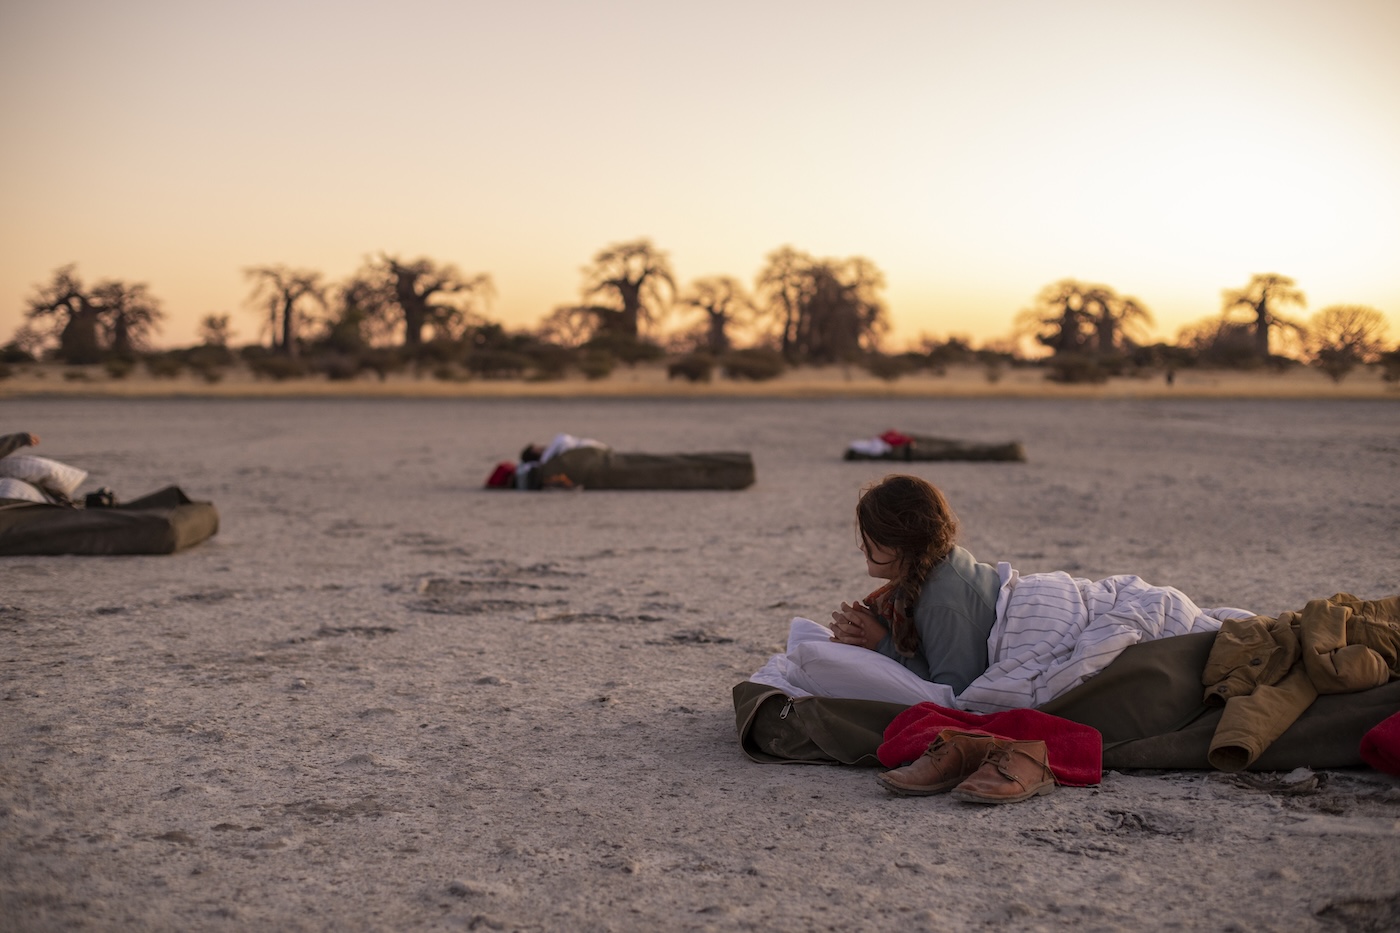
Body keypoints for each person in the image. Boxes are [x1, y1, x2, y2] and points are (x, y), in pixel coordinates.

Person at [827, 474, 1001, 695]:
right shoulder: (939, 565)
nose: (862, 547)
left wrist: (880, 643)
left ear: (897, 542)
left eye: (870, 537)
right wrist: (865, 631)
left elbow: (953, 695)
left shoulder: (942, 600)